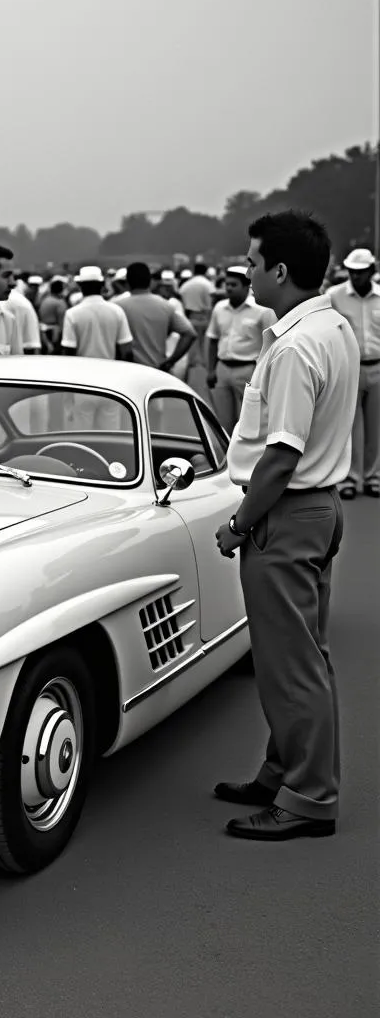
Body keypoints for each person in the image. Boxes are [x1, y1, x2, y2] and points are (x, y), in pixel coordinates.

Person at [214, 210, 359, 841]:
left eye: (251, 262)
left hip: (286, 513)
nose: (245, 272)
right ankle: (284, 770)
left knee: (289, 663)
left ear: (278, 270)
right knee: (303, 656)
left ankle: (308, 796)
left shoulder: (296, 345)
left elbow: (280, 455)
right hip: (315, 509)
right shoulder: (330, 326)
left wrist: (240, 525)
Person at [326, 248, 380, 499]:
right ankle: (348, 478)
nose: (356, 276)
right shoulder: (334, 296)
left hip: (377, 365)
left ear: (371, 270)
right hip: (349, 366)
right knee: (348, 425)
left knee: (375, 425)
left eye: (361, 272)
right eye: (352, 271)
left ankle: (373, 476)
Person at [205, 266, 277, 432]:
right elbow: (213, 339)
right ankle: (227, 455)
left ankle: (246, 457)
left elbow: (271, 343)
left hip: (248, 370)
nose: (229, 288)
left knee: (250, 421)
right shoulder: (219, 308)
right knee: (223, 422)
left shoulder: (262, 311)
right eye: (227, 284)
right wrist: (210, 370)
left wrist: (264, 374)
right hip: (222, 368)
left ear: (246, 287)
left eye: (233, 285)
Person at [117, 262, 196, 372]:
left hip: (130, 371)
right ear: (149, 281)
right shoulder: (165, 305)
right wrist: (170, 361)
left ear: (128, 282)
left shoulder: (118, 307)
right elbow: (190, 334)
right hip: (158, 370)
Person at [60, 266, 133, 361]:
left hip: (82, 371)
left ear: (80, 286)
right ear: (102, 285)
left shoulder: (72, 314)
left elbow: (69, 350)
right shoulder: (117, 311)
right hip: (111, 370)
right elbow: (126, 349)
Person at [178, 261, 215, 366]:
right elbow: (209, 303)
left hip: (190, 318)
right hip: (204, 318)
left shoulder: (186, 284)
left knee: (191, 348)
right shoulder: (207, 284)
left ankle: (192, 368)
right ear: (205, 271)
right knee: (205, 347)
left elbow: (181, 296)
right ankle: (203, 368)